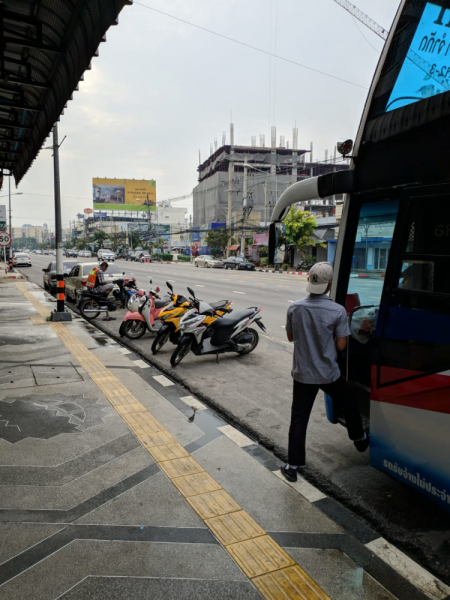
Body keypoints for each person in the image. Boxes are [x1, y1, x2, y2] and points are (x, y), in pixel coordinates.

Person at [281, 262, 369, 483]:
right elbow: (341, 346)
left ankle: (292, 466)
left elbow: (291, 338)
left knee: (299, 419)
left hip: (303, 374)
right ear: (329, 284)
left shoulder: (295, 307)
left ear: (310, 281)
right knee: (349, 402)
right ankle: (359, 438)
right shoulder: (337, 310)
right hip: (329, 373)